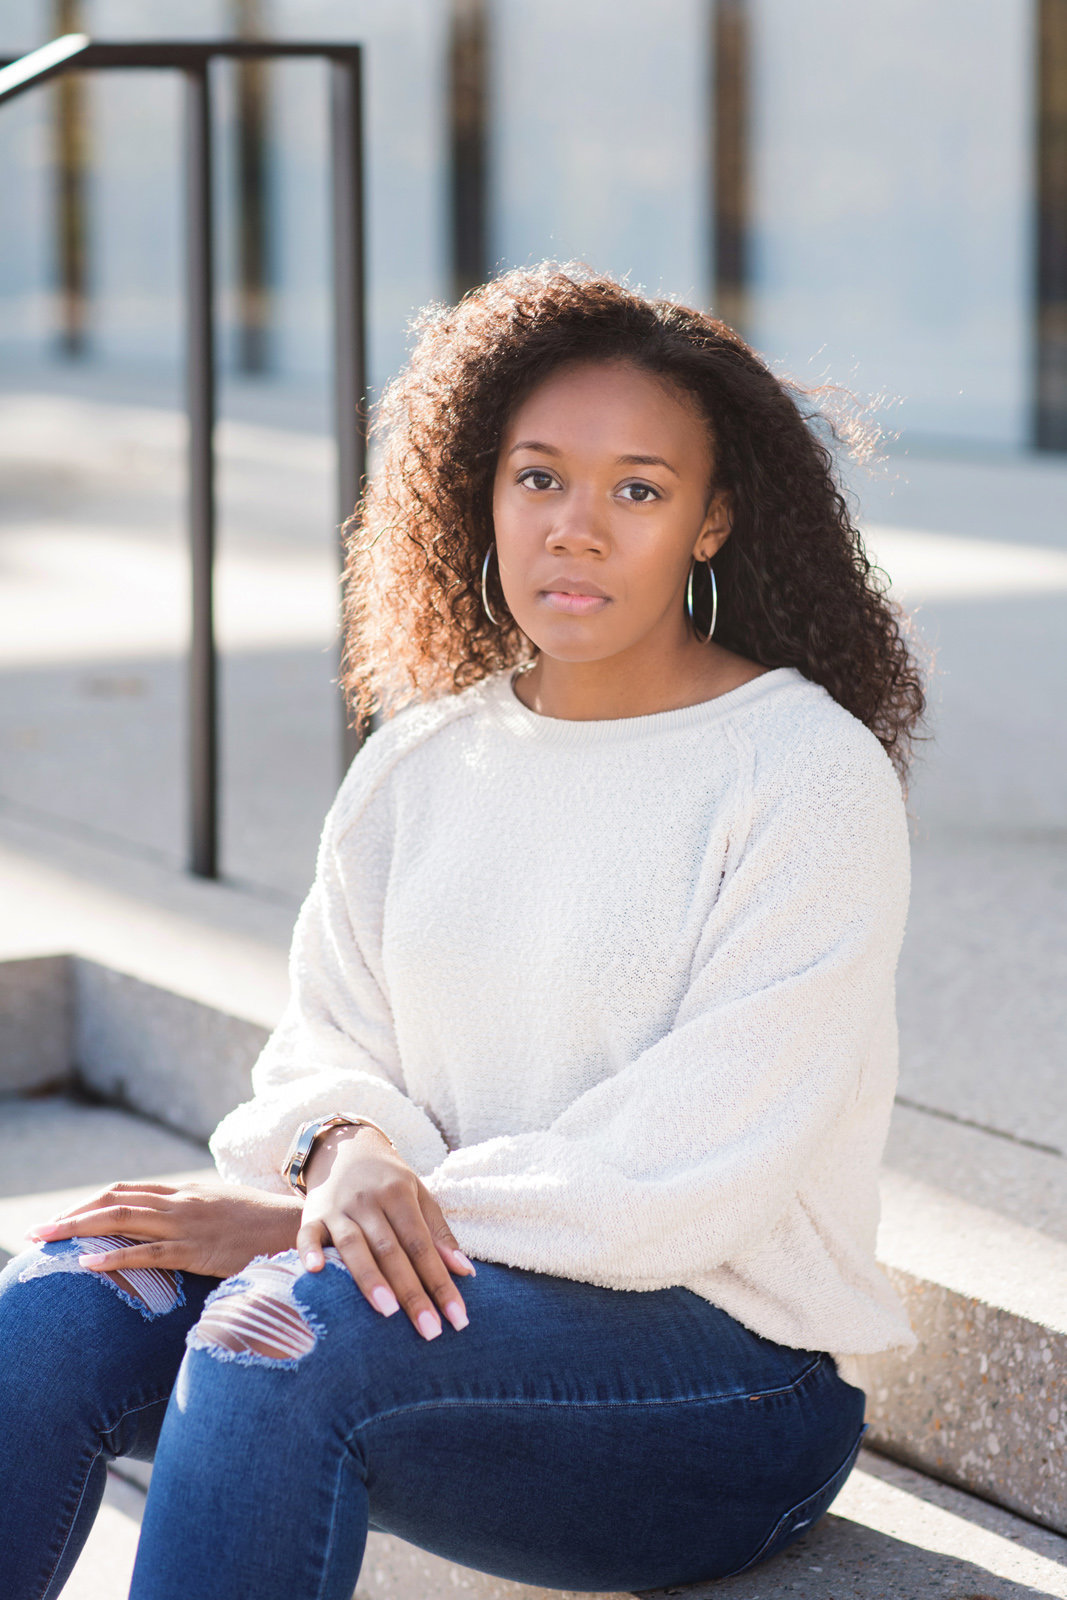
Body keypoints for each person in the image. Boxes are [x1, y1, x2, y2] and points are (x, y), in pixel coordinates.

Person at [0, 263, 925, 1599]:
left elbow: (680, 1179)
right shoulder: (423, 759)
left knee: (278, 1334)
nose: (577, 530)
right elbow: (326, 1039)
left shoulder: (800, 775)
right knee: (63, 1296)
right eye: (539, 478)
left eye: (639, 490)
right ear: (479, 493)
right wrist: (347, 1151)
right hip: (425, 1306)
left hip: (725, 1383)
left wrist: (308, 1221)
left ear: (713, 520)